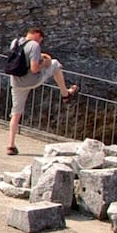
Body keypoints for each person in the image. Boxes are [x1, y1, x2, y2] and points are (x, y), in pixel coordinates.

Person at [6, 27, 79, 155]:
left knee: (16, 113)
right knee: (55, 64)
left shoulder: (16, 42)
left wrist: (41, 56)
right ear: (38, 36)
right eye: (41, 40)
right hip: (32, 80)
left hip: (16, 82)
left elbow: (22, 57)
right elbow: (34, 68)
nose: (40, 43)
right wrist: (46, 63)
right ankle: (65, 93)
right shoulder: (34, 45)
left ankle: (10, 146)